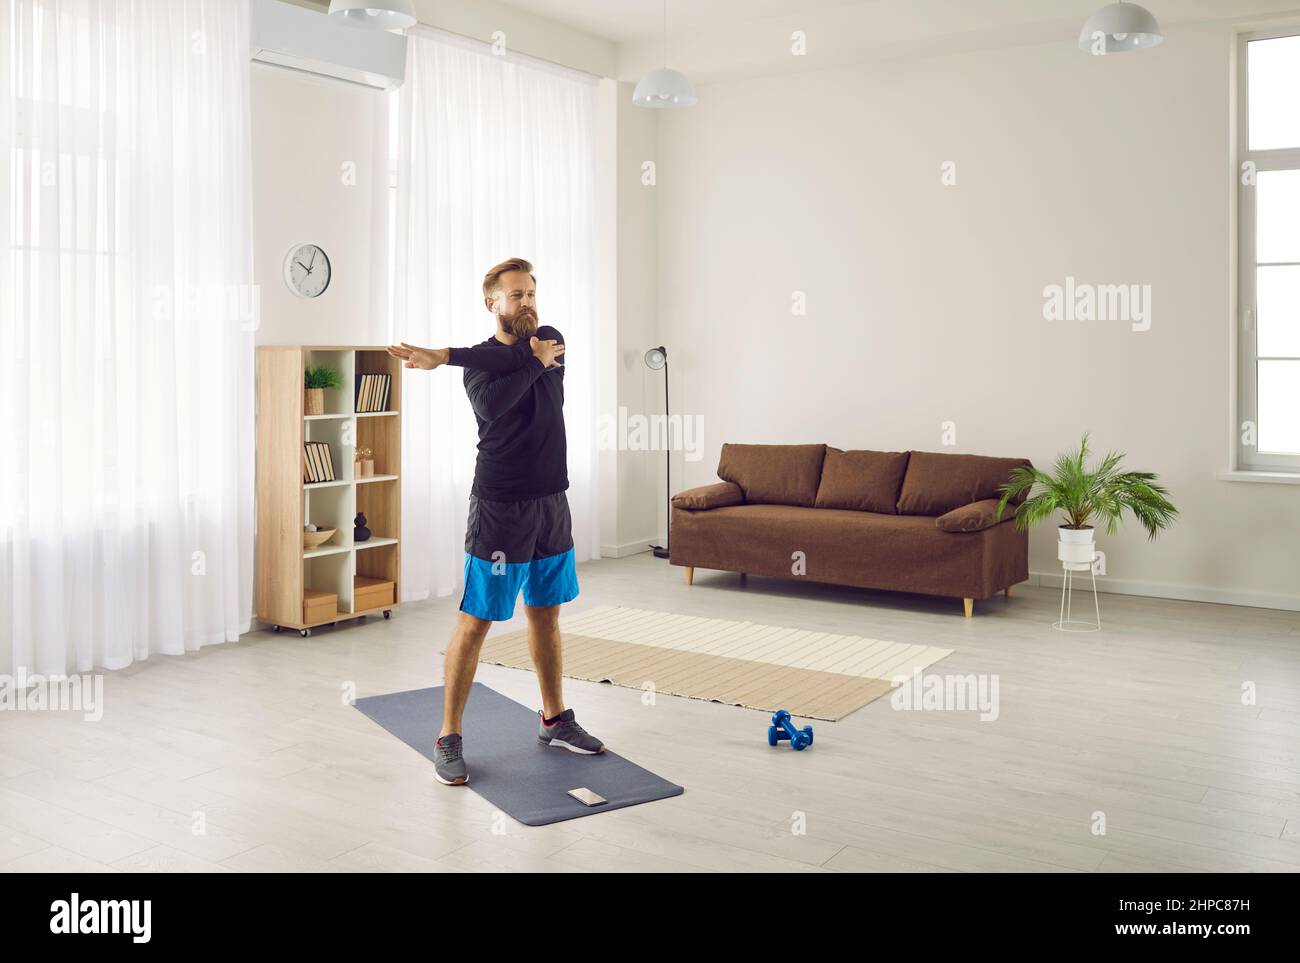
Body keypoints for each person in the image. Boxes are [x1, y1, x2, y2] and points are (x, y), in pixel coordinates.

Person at [387, 257, 604, 786]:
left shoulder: (551, 338)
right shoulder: (482, 365)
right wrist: (454, 357)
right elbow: (499, 405)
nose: (527, 302)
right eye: (516, 296)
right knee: (477, 620)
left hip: (552, 501)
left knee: (546, 615)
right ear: (493, 304)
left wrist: (445, 355)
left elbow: (527, 362)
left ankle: (554, 719)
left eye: (531, 293)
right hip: (501, 506)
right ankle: (448, 737)